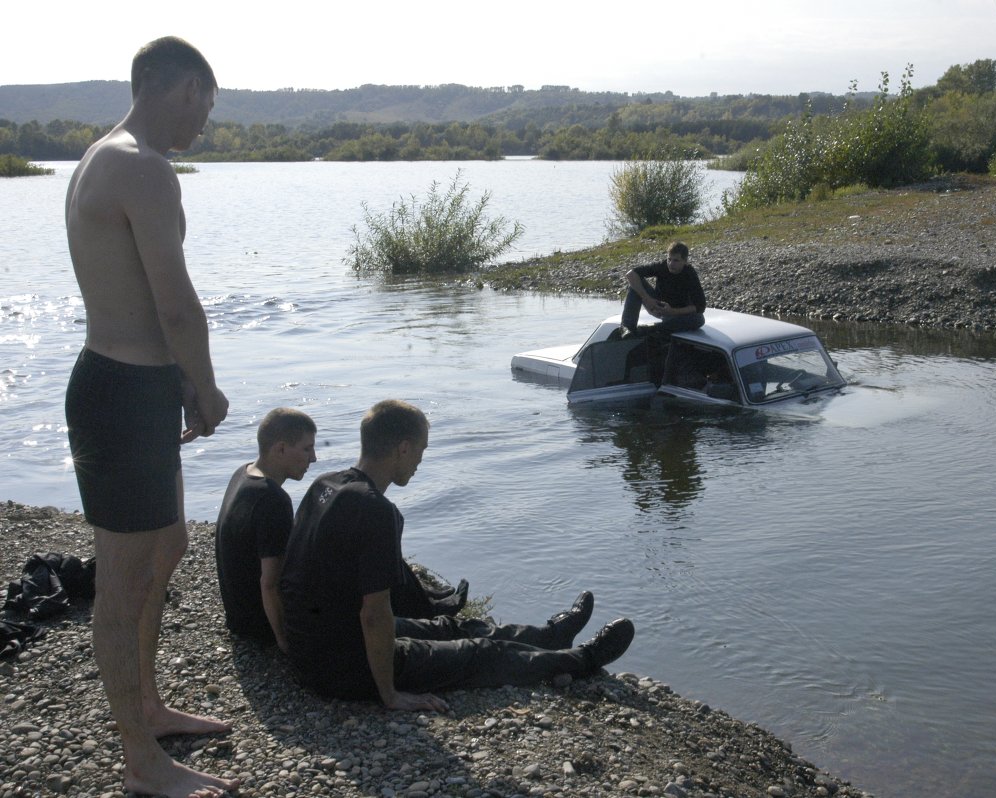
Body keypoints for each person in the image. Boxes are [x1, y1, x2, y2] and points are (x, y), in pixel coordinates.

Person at [63, 37, 235, 798]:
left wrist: (179, 388)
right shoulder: (143, 166)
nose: (206, 123)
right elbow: (175, 304)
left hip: (132, 385)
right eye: (208, 105)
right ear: (186, 88)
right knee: (124, 581)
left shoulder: (105, 155)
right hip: (126, 390)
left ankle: (151, 706)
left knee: (167, 548)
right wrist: (208, 389)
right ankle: (141, 760)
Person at [280, 400, 635, 711]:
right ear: (403, 448)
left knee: (449, 628)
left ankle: (547, 636)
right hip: (339, 668)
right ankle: (580, 660)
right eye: (421, 450)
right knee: (479, 653)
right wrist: (389, 693)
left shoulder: (326, 484)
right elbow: (375, 614)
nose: (420, 461)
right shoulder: (376, 510)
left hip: (312, 645)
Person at [215, 408, 317, 651]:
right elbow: (270, 584)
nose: (313, 458)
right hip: (259, 626)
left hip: (238, 615)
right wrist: (285, 642)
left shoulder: (244, 472)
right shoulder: (273, 499)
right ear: (281, 449)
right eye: (307, 448)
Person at [619, 241, 706, 337]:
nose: (671, 264)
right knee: (634, 284)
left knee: (699, 319)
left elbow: (700, 306)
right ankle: (627, 327)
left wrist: (672, 311)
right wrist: (648, 300)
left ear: (685, 261)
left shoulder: (690, 274)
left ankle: (652, 330)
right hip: (657, 305)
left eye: (676, 260)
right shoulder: (662, 266)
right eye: (669, 259)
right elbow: (631, 274)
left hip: (678, 313)